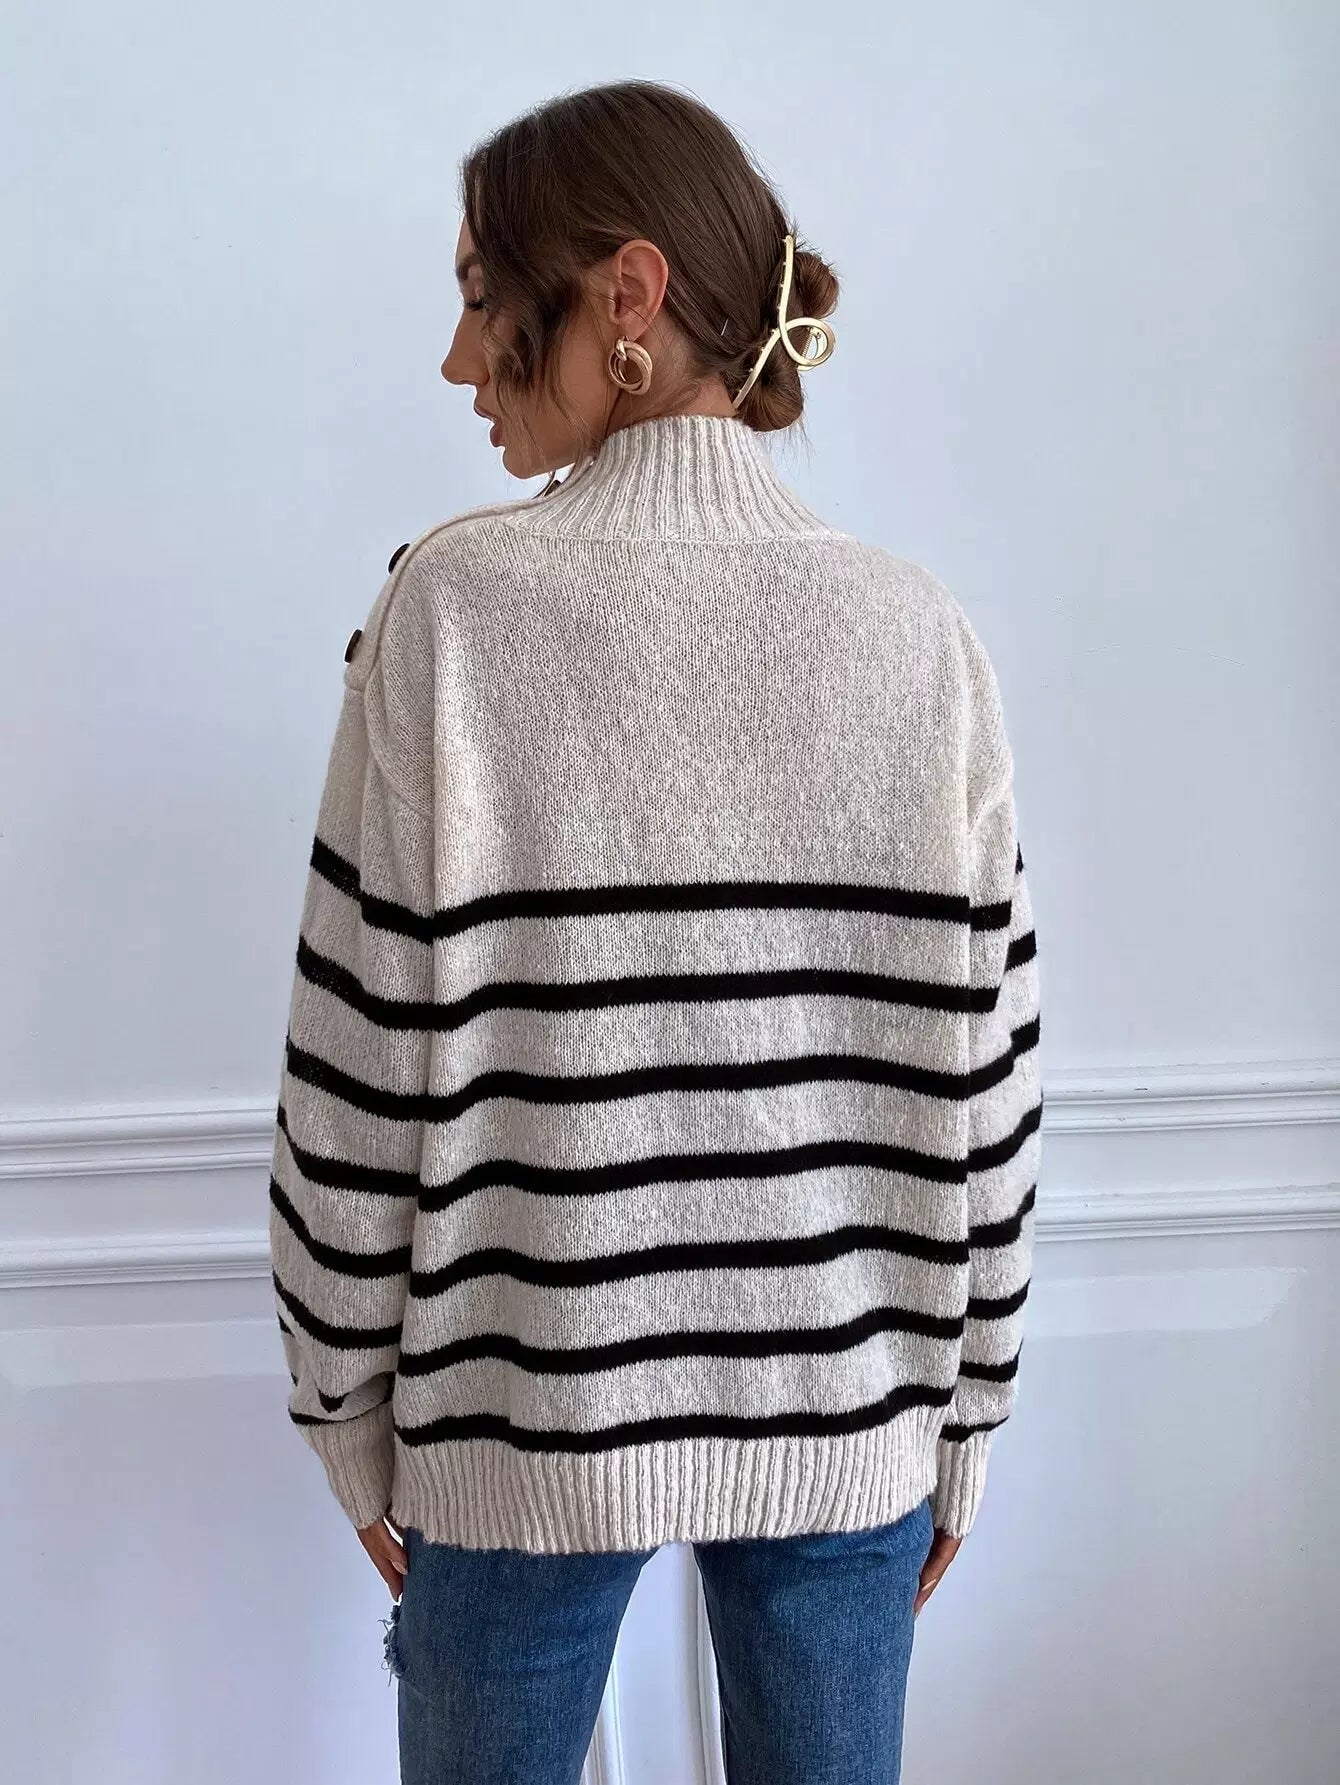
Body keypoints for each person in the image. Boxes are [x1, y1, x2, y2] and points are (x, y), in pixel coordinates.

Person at [267, 77, 1043, 1785]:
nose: (458, 360)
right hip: (853, 1419)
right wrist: (969, 1409)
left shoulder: (451, 614)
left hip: (519, 1428)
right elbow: (988, 1090)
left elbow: (356, 1066)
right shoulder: (923, 636)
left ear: (629, 293)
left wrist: (341, 1406)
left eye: (484, 297)